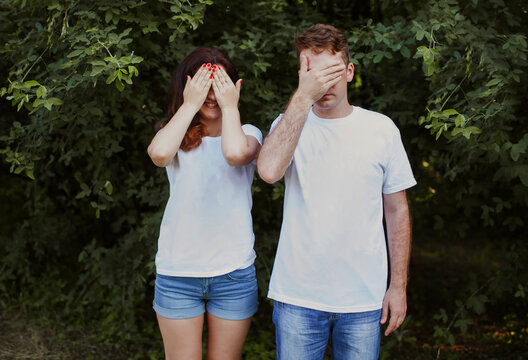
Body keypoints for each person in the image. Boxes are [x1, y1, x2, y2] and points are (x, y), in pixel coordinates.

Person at [257, 24, 417, 359]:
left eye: (331, 72)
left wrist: (398, 286)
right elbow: (269, 172)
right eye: (312, 74)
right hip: (298, 298)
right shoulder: (288, 125)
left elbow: (397, 211)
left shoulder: (381, 130)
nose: (323, 84)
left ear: (349, 71)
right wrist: (302, 97)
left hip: (362, 300)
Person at [147, 47, 262, 360]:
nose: (212, 95)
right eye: (204, 87)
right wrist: (190, 103)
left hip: (233, 274)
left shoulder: (248, 133)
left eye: (220, 85)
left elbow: (235, 154)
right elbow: (158, 155)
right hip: (178, 274)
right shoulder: (174, 134)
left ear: (234, 88)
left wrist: (231, 107)